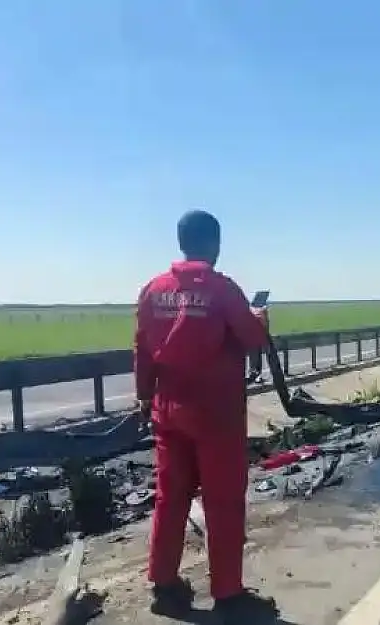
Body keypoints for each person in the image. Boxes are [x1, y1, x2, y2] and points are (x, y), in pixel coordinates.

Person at [133, 209, 276, 621]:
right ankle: (227, 592)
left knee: (169, 496)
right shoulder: (222, 289)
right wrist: (260, 319)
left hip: (169, 410)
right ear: (214, 243)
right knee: (223, 500)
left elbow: (141, 348)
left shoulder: (153, 290)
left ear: (182, 243)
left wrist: (145, 397)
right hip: (217, 414)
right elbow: (252, 338)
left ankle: (163, 583)